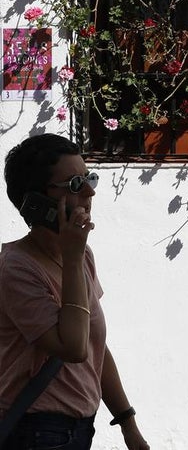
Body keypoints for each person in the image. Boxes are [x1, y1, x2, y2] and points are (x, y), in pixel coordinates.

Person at [0, 134, 149, 450]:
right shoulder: (16, 269)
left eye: (89, 178)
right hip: (36, 432)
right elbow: (74, 346)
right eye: (74, 184)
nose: (90, 191)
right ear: (37, 202)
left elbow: (96, 347)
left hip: (80, 430)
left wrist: (128, 424)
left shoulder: (81, 257)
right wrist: (72, 256)